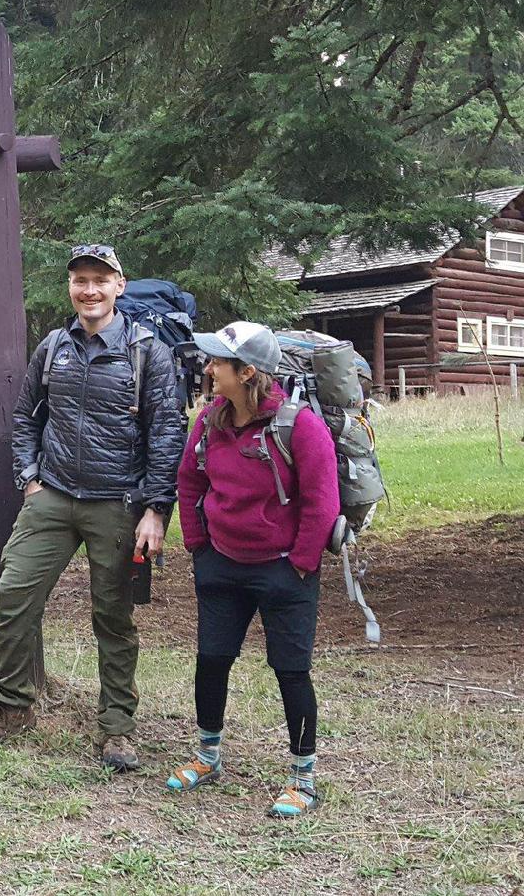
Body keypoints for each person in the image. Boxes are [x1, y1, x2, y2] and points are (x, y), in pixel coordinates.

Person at [0, 243, 184, 771]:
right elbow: (25, 419)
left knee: (113, 617)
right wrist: (29, 480)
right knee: (13, 596)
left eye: (99, 280)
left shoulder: (145, 350)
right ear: (71, 287)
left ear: (119, 286)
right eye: (80, 280)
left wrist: (156, 510)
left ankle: (116, 729)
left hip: (117, 503)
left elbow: (167, 432)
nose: (89, 290)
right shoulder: (54, 347)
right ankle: (13, 707)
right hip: (53, 496)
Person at [168, 320, 339, 817]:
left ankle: (303, 779)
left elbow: (321, 502)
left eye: (218, 362)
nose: (209, 368)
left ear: (246, 372)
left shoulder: (299, 425)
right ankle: (207, 757)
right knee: (212, 659)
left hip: (284, 570)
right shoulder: (210, 420)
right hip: (221, 564)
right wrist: (200, 547)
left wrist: (302, 564)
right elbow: (189, 481)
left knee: (291, 671)